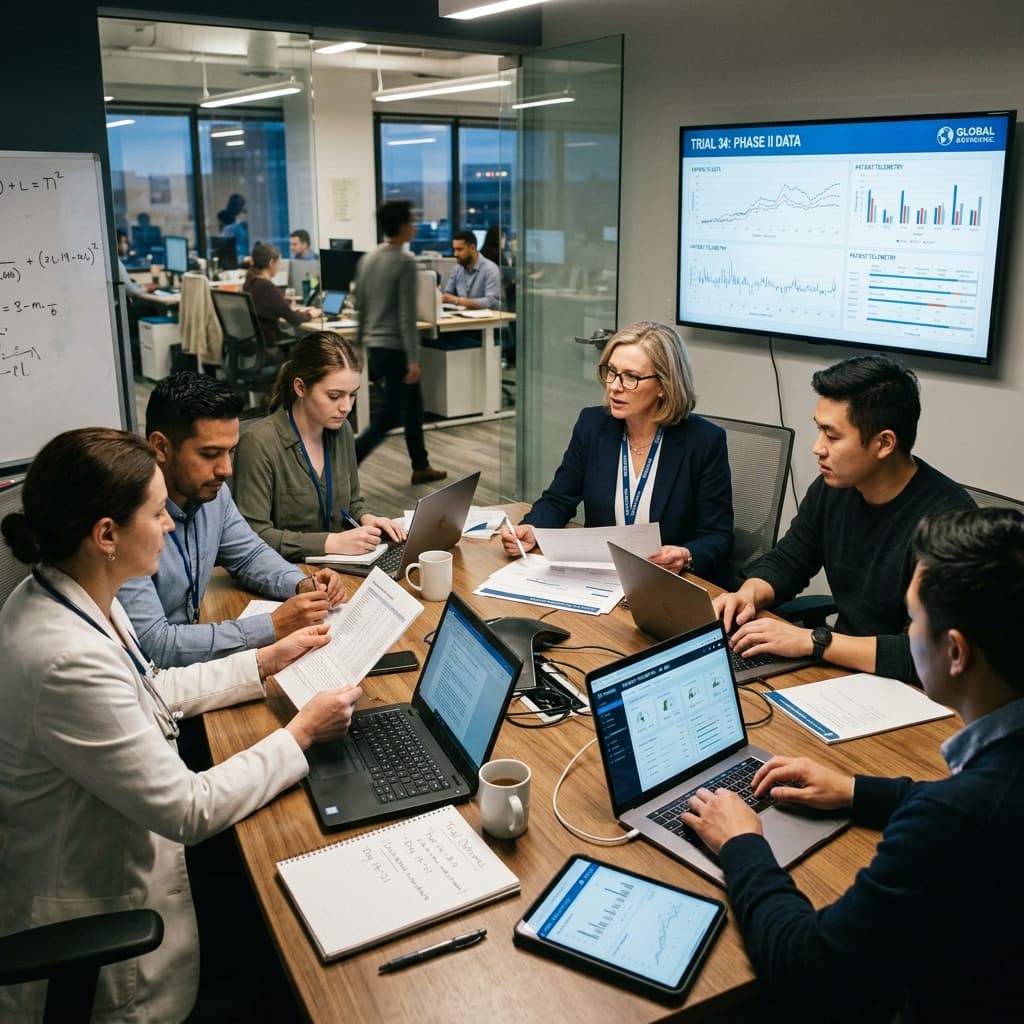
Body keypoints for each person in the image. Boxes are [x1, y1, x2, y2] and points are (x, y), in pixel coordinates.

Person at [0, 427, 362, 1022]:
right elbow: (188, 809)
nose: (170, 524)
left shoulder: (78, 591)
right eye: (155, 512)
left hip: (129, 846)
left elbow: (151, 689)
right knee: (289, 949)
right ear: (106, 535)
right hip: (106, 933)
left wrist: (266, 659)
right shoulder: (64, 659)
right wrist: (299, 733)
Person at [683, 506, 1024, 1022]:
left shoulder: (953, 821)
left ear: (955, 652)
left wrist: (742, 845)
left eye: (912, 620)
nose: (908, 633)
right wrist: (855, 790)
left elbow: (808, 967)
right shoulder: (990, 787)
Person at [714, 353, 974, 683]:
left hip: (911, 693)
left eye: (832, 436)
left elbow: (923, 655)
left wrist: (811, 641)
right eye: (819, 430)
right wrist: (748, 594)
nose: (817, 448)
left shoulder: (948, 523)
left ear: (884, 443)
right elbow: (789, 561)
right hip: (842, 673)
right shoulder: (834, 487)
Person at [118, 372, 347, 669]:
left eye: (231, 452)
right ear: (161, 447)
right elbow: (154, 643)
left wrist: (302, 585)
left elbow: (249, 554)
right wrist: (273, 625)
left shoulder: (212, 492)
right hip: (152, 682)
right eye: (210, 454)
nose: (226, 470)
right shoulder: (126, 516)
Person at [501, 321, 734, 584]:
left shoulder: (703, 442)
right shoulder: (592, 426)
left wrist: (687, 555)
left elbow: (718, 535)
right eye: (611, 371)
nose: (614, 386)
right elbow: (558, 499)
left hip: (667, 584)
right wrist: (533, 529)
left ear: (663, 386)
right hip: (601, 578)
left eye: (631, 377)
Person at [232, 332, 406, 561]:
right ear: (300, 388)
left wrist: (365, 518)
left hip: (339, 566)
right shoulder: (259, 443)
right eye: (334, 396)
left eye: (352, 395)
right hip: (287, 571)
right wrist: (330, 542)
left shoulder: (342, 431)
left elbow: (351, 502)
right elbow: (254, 535)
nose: (346, 407)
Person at [353, 199, 447, 485]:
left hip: (377, 346)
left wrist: (359, 344)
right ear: (403, 225)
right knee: (390, 414)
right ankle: (346, 462)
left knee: (413, 407)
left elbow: (361, 305)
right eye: (411, 220)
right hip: (396, 348)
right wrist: (413, 358)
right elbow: (407, 313)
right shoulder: (405, 261)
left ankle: (421, 465)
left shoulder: (369, 258)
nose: (414, 225)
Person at [243, 241, 316, 346]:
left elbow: (284, 311)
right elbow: (293, 319)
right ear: (271, 263)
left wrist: (300, 312)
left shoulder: (250, 282)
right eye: (279, 262)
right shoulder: (266, 286)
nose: (279, 266)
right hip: (272, 346)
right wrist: (310, 314)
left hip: (257, 345)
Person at [442, 229, 501, 310]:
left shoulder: (490, 269)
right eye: (454, 249)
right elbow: (447, 295)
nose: (455, 254)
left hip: (486, 320)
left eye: (459, 249)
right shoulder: (457, 269)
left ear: (472, 248)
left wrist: (458, 301)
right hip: (462, 317)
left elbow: (491, 301)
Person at [116, 227, 157, 299]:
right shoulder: (116, 264)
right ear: (117, 244)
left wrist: (142, 286)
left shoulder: (116, 261)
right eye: (124, 242)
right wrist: (147, 288)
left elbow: (128, 285)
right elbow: (131, 291)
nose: (127, 246)